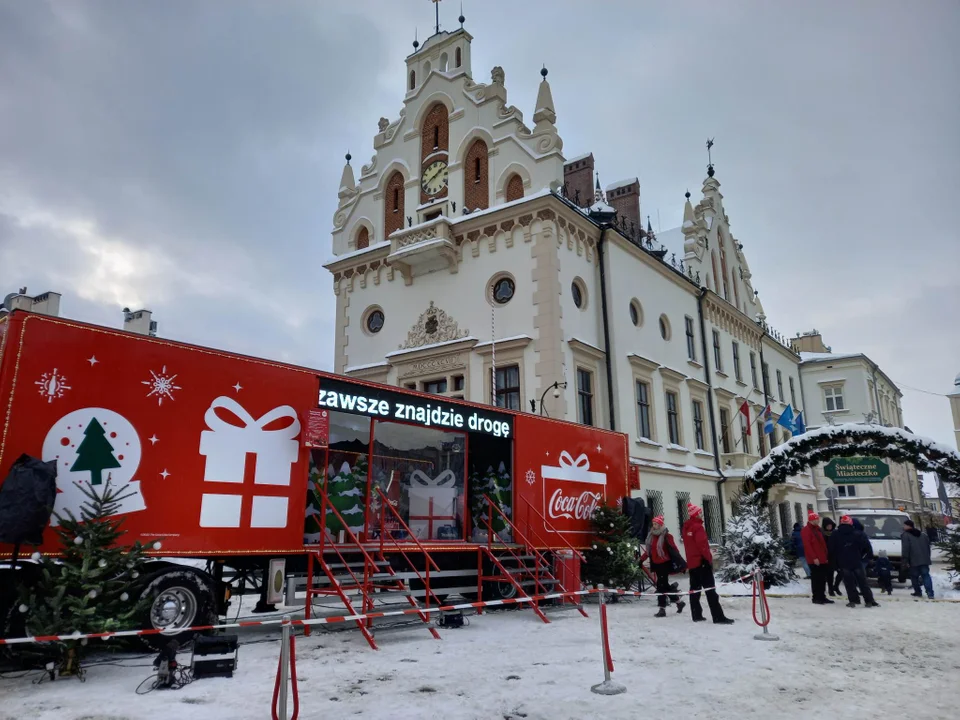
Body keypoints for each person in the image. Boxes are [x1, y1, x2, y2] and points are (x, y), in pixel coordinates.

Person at [682, 502, 734, 624]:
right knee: (711, 591)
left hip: (692, 563)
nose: (701, 515)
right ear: (696, 514)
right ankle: (718, 616)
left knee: (694, 590)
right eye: (700, 513)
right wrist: (708, 559)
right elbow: (703, 546)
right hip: (702, 562)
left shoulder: (686, 527)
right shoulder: (698, 527)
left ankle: (696, 614)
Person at [828, 515, 878, 608]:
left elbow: (831, 549)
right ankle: (869, 600)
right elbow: (867, 548)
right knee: (863, 582)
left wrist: (835, 563)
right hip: (857, 561)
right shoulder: (859, 533)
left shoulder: (835, 534)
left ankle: (853, 600)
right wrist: (863, 557)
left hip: (843, 561)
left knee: (849, 583)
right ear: (851, 523)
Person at [645, 515, 687, 617]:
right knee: (665, 586)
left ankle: (662, 609)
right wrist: (641, 560)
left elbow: (674, 550)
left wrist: (682, 564)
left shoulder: (667, 536)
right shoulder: (651, 536)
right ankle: (679, 602)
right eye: (653, 524)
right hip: (656, 564)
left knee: (660, 586)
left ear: (660, 525)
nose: (654, 526)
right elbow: (649, 551)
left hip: (664, 563)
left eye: (656, 524)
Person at [800, 511, 833, 604]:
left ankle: (822, 596)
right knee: (816, 579)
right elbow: (807, 546)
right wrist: (814, 558)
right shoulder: (806, 530)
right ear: (812, 520)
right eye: (816, 519)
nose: (818, 520)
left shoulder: (818, 529)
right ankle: (816, 597)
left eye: (818, 519)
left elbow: (822, 543)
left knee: (822, 579)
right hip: (815, 560)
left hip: (822, 558)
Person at [901, 519, 934, 599]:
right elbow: (928, 547)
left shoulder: (906, 535)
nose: (903, 527)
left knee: (914, 576)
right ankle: (930, 593)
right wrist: (927, 557)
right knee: (926, 576)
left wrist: (905, 560)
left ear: (909, 526)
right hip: (924, 559)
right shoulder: (923, 535)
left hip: (913, 560)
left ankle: (918, 592)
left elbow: (906, 549)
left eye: (904, 525)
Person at [821, 517, 842, 596]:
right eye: (828, 525)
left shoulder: (835, 533)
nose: (829, 527)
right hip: (828, 556)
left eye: (831, 525)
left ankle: (835, 586)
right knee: (830, 574)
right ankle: (830, 589)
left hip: (837, 556)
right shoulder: (822, 533)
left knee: (841, 572)